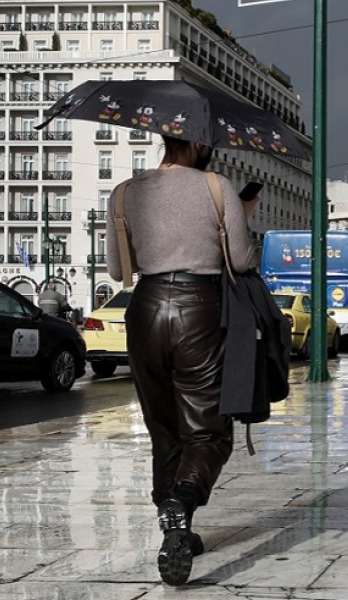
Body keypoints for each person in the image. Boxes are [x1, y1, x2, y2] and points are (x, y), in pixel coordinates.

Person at [106, 136, 258, 586]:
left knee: (163, 427)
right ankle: (182, 501)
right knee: (208, 430)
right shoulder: (216, 186)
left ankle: (176, 529)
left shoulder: (124, 192)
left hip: (145, 310)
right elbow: (241, 261)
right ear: (193, 142)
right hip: (199, 310)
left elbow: (117, 270)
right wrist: (239, 218)